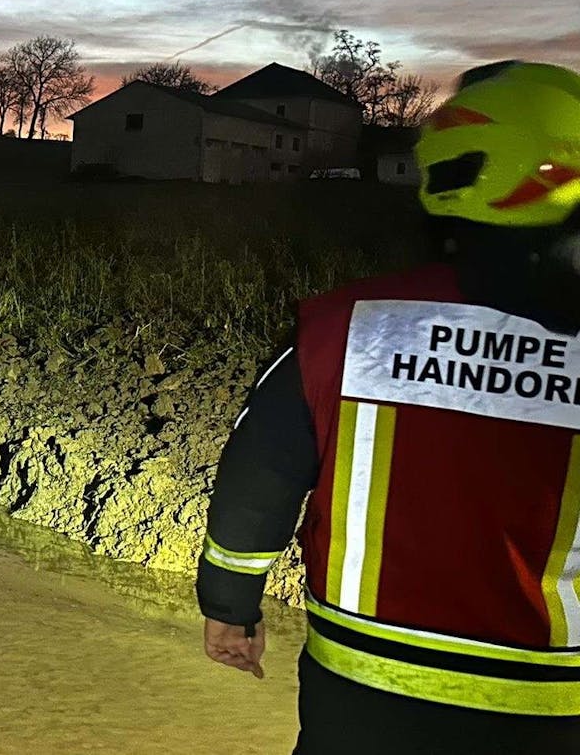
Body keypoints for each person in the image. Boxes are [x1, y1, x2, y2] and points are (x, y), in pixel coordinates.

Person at [196, 60, 580, 753]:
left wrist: (229, 608)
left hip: (362, 697)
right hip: (554, 707)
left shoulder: (344, 326)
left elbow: (257, 481)